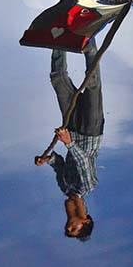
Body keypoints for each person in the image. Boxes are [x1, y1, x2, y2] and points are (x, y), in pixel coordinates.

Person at [35, 41, 104, 240]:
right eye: (73, 229)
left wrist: (46, 159)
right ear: (86, 220)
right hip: (91, 131)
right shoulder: (89, 186)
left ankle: (59, 41)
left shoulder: (65, 186)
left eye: (67, 229)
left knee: (58, 79)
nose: (68, 227)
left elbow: (59, 164)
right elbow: (83, 161)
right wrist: (68, 143)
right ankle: (89, 42)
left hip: (72, 130)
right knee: (92, 85)